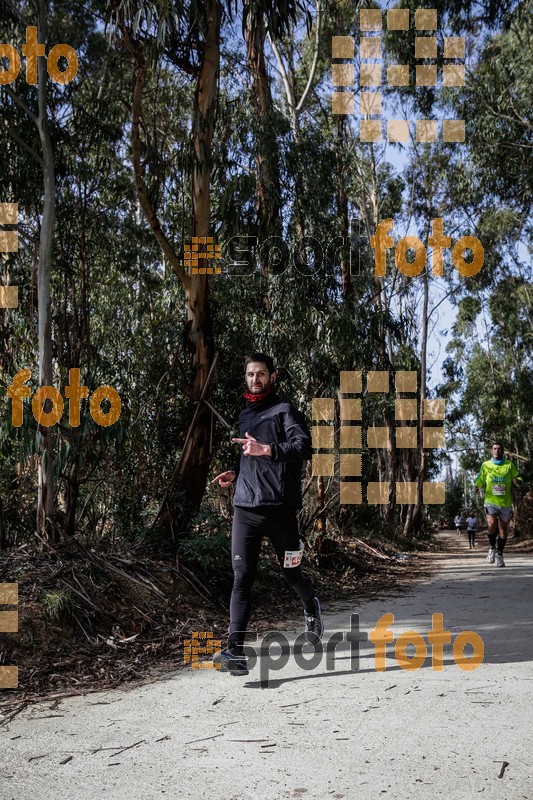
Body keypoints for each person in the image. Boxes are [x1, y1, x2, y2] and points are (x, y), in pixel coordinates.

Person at [211, 353, 323, 675]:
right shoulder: (246, 415)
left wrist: (268, 449)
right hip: (245, 507)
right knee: (242, 577)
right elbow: (249, 456)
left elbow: (304, 446)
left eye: (261, 374)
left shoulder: (285, 411)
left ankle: (309, 605)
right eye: (250, 374)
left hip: (280, 512)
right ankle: (235, 651)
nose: (255, 379)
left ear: (272, 377)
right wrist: (235, 471)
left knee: (292, 574)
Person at [473, 441, 523, 567]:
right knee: (491, 524)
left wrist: (517, 481)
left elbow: (519, 478)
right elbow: (480, 478)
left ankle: (499, 554)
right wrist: (476, 486)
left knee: (503, 529)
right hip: (490, 501)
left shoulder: (509, 465)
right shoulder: (486, 465)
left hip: (505, 503)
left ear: (503, 451)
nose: (497, 451)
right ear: (491, 451)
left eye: (499, 449)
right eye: (494, 449)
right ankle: (492, 548)